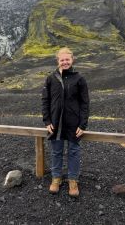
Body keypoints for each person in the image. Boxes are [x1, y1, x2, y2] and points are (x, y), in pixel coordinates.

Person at [42, 47, 89, 197]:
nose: (65, 62)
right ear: (58, 61)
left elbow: (85, 103)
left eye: (67, 59)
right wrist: (47, 120)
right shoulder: (51, 78)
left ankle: (73, 180)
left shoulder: (79, 78)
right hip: (55, 123)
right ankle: (56, 178)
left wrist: (83, 124)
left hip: (74, 124)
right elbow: (45, 101)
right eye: (62, 60)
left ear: (72, 59)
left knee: (74, 152)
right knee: (56, 151)